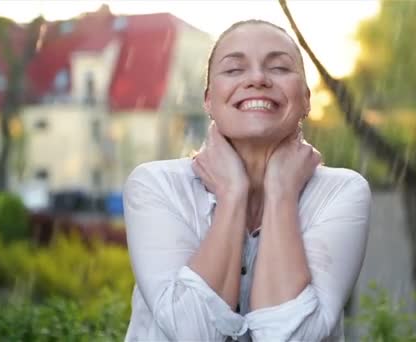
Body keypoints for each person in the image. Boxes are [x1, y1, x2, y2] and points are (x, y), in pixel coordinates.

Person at [123, 19, 372, 341]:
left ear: (307, 99)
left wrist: (281, 191)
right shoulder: (156, 185)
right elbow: (194, 334)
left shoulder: (341, 191)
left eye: (280, 68)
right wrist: (232, 193)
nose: (257, 79)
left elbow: (293, 338)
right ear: (209, 100)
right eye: (234, 69)